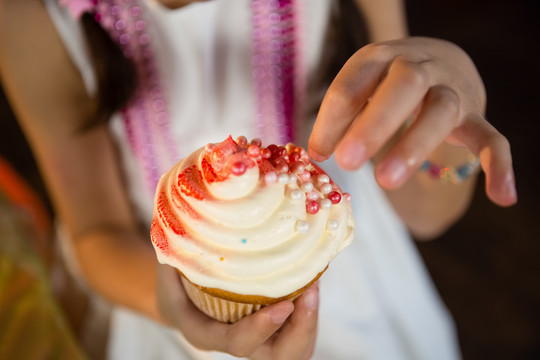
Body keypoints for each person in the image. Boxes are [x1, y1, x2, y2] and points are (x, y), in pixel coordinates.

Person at [0, 0, 517, 359]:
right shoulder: (28, 18)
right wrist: (172, 307)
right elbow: (95, 231)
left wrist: (444, 125)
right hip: (153, 292)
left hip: (354, 279)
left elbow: (429, 212)